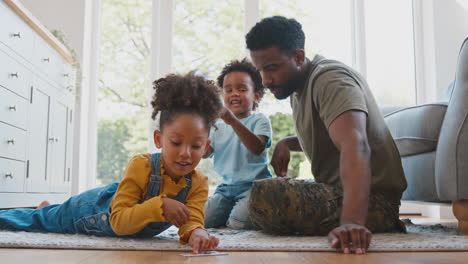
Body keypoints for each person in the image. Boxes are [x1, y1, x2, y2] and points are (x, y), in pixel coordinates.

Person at [0, 72, 222, 254]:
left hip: (115, 216)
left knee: (51, 215)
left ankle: (49, 208)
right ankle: (44, 211)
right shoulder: (142, 165)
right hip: (90, 211)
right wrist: (160, 205)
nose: (185, 154)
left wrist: (196, 233)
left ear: (205, 147)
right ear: (158, 139)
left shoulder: (198, 182)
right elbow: (118, 222)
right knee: (39, 221)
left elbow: (191, 218)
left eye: (195, 146)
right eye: (175, 142)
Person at [245, 16, 407, 254]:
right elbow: (330, 133)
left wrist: (352, 221)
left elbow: (356, 144)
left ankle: (361, 221)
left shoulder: (330, 79)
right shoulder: (296, 89)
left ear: (299, 57)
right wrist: (287, 143)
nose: (266, 81)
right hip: (336, 190)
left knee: (268, 196)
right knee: (258, 195)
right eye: (260, 71)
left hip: (376, 202)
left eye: (271, 68)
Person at [203, 59, 272, 229]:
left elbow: (257, 147)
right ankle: (229, 212)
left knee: (237, 224)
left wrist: (232, 121)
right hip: (226, 188)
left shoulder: (260, 120)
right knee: (204, 220)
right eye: (229, 90)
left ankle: (240, 215)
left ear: (257, 95)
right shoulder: (217, 125)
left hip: (254, 188)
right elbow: (205, 152)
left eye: (242, 89)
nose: (234, 93)